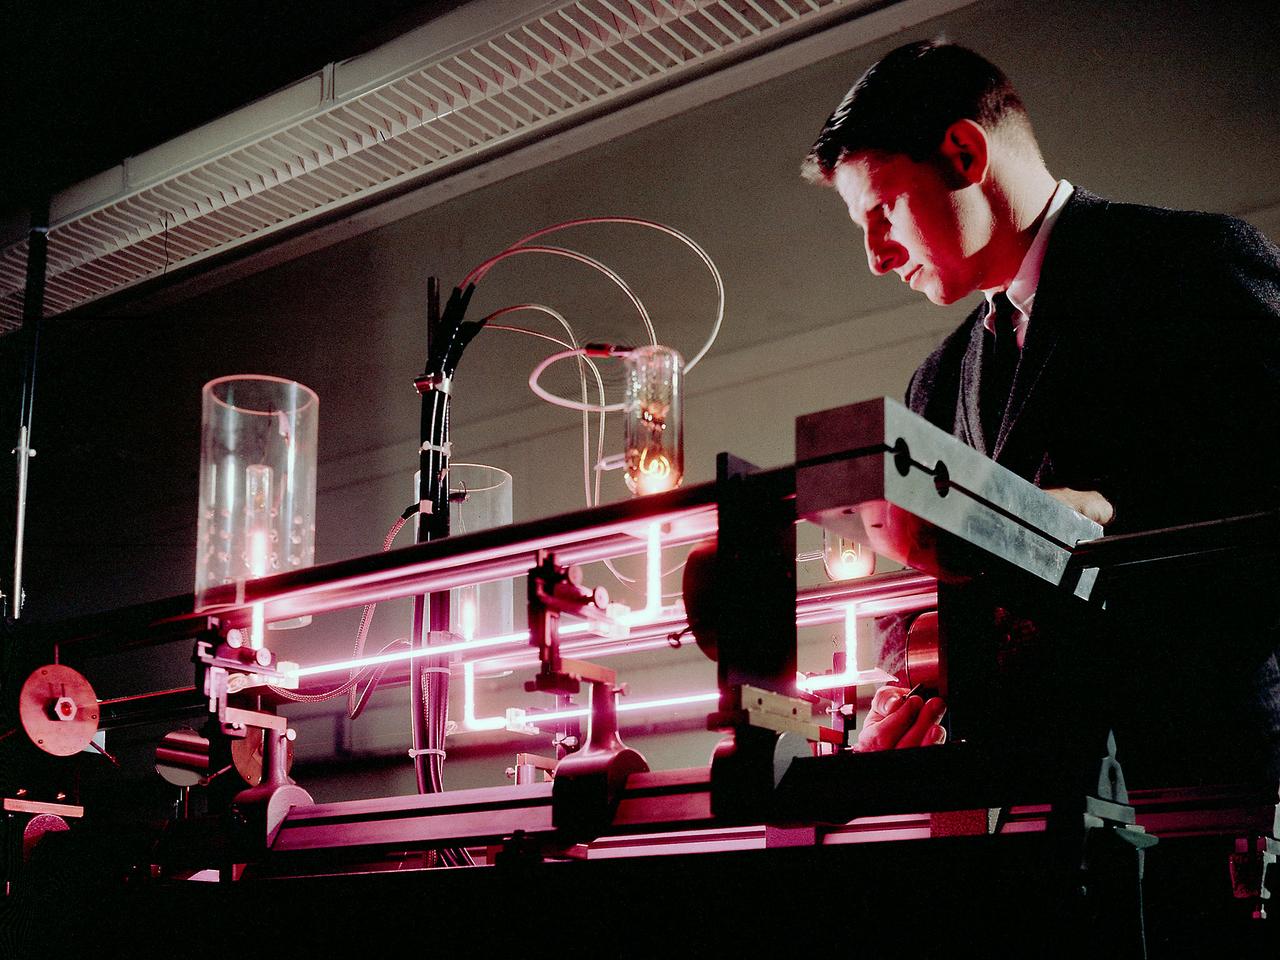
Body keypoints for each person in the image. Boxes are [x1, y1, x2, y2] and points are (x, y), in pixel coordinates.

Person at [803, 40, 1280, 782]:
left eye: (884, 210)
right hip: (1021, 812)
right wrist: (910, 690)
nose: (876, 255)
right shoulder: (933, 383)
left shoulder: (1195, 268)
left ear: (964, 153)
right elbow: (911, 617)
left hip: (1207, 792)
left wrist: (1097, 531)